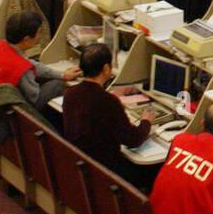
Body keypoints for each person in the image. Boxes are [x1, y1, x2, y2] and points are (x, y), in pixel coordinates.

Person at [61, 43, 155, 185]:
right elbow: (133, 140)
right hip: (105, 171)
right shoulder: (108, 101)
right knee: (154, 170)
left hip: (81, 165)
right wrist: (146, 122)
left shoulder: (70, 93)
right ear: (106, 69)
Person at [0, 11, 78, 117]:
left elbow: (30, 63)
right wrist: (62, 79)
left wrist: (62, 74)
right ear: (26, 39)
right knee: (58, 84)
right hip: (9, 113)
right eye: (38, 33)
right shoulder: (22, 69)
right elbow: (34, 99)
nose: (38, 36)